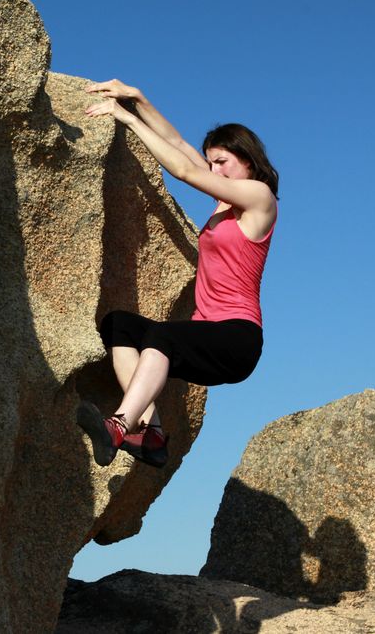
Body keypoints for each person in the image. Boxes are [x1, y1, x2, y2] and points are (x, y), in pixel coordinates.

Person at [76, 78, 279, 468]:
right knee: (119, 326)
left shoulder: (259, 198)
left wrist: (128, 121)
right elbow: (182, 149)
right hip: (208, 335)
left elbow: (185, 170)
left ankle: (119, 426)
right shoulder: (224, 199)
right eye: (212, 162)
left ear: (249, 163)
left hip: (237, 338)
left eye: (223, 162)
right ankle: (151, 436)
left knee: (162, 335)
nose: (215, 169)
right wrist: (138, 100)